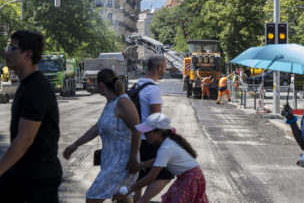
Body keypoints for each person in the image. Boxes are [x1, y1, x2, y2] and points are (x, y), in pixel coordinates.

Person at [0, 30, 62, 202]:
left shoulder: (36, 88)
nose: (7, 52)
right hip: (23, 175)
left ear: (28, 54)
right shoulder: (27, 84)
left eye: (12, 48)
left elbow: (24, 139)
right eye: (8, 47)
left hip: (38, 180)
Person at [63, 68, 141, 203]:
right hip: (112, 161)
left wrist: (133, 158)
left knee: (93, 197)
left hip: (123, 162)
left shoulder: (123, 101)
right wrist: (75, 144)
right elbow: (97, 128)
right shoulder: (111, 103)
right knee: (123, 197)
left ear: (101, 84)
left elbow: (137, 130)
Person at [113, 113, 208, 203]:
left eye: (147, 132)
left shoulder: (166, 148)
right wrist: (141, 165)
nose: (144, 135)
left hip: (190, 178)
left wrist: (129, 190)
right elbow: (157, 160)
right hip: (191, 176)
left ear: (159, 132)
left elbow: (151, 177)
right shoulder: (168, 142)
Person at [133, 55, 175, 202]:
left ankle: (136, 200)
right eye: (164, 67)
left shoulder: (138, 85)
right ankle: (142, 201)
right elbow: (155, 118)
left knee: (138, 175)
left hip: (136, 138)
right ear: (158, 68)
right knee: (167, 173)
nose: (165, 70)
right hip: (148, 139)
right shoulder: (154, 89)